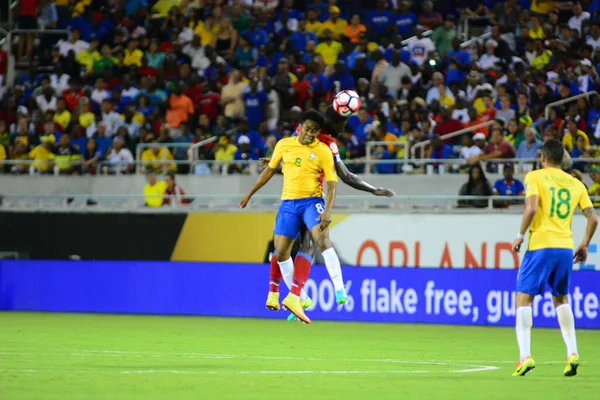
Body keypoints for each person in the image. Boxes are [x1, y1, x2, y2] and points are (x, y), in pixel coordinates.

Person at [260, 106, 395, 321]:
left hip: (297, 197)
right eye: (341, 123)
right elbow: (346, 176)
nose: (342, 128)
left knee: (289, 249)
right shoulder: (328, 144)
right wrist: (373, 189)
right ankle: (299, 296)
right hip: (309, 197)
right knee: (309, 245)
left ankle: (296, 297)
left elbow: (294, 151)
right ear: (331, 123)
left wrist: (279, 161)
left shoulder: (304, 132)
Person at [239, 110, 341, 324]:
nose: (310, 134)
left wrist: (328, 210)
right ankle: (297, 298)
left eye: (315, 131)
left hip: (312, 202)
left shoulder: (323, 151)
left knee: (318, 240)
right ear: (300, 126)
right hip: (288, 204)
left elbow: (332, 184)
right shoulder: (284, 144)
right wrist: (249, 193)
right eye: (307, 129)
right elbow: (269, 170)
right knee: (280, 251)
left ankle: (337, 289)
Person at [511, 140, 598, 377]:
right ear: (562, 159)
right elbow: (593, 218)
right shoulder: (576, 183)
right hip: (564, 248)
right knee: (561, 299)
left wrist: (520, 236)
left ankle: (524, 357)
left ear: (542, 157)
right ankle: (572, 353)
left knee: (523, 300)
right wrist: (584, 244)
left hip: (540, 245)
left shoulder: (535, 177)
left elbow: (531, 208)